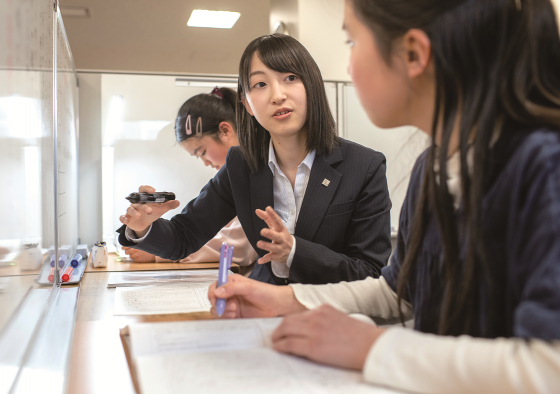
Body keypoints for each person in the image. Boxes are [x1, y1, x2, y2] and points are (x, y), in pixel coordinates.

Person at [206, 0, 560, 392]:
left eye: (352, 42)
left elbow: (549, 366)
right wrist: (287, 301)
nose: (347, 66)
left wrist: (374, 347)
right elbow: (399, 293)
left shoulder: (543, 163)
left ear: (412, 54)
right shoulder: (434, 167)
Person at [117, 34, 392, 285]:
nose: (277, 95)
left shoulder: (365, 166)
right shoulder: (241, 164)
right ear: (247, 104)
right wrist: (143, 228)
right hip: (262, 309)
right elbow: (184, 237)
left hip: (331, 319)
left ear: (312, 85)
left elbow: (370, 272)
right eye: (260, 84)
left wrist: (294, 251)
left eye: (291, 78)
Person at [122, 87, 258, 276]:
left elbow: (239, 247)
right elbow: (188, 233)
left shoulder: (258, 170)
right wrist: (145, 229)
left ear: (225, 130)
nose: (205, 163)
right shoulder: (228, 180)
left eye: (202, 152)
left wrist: (157, 255)